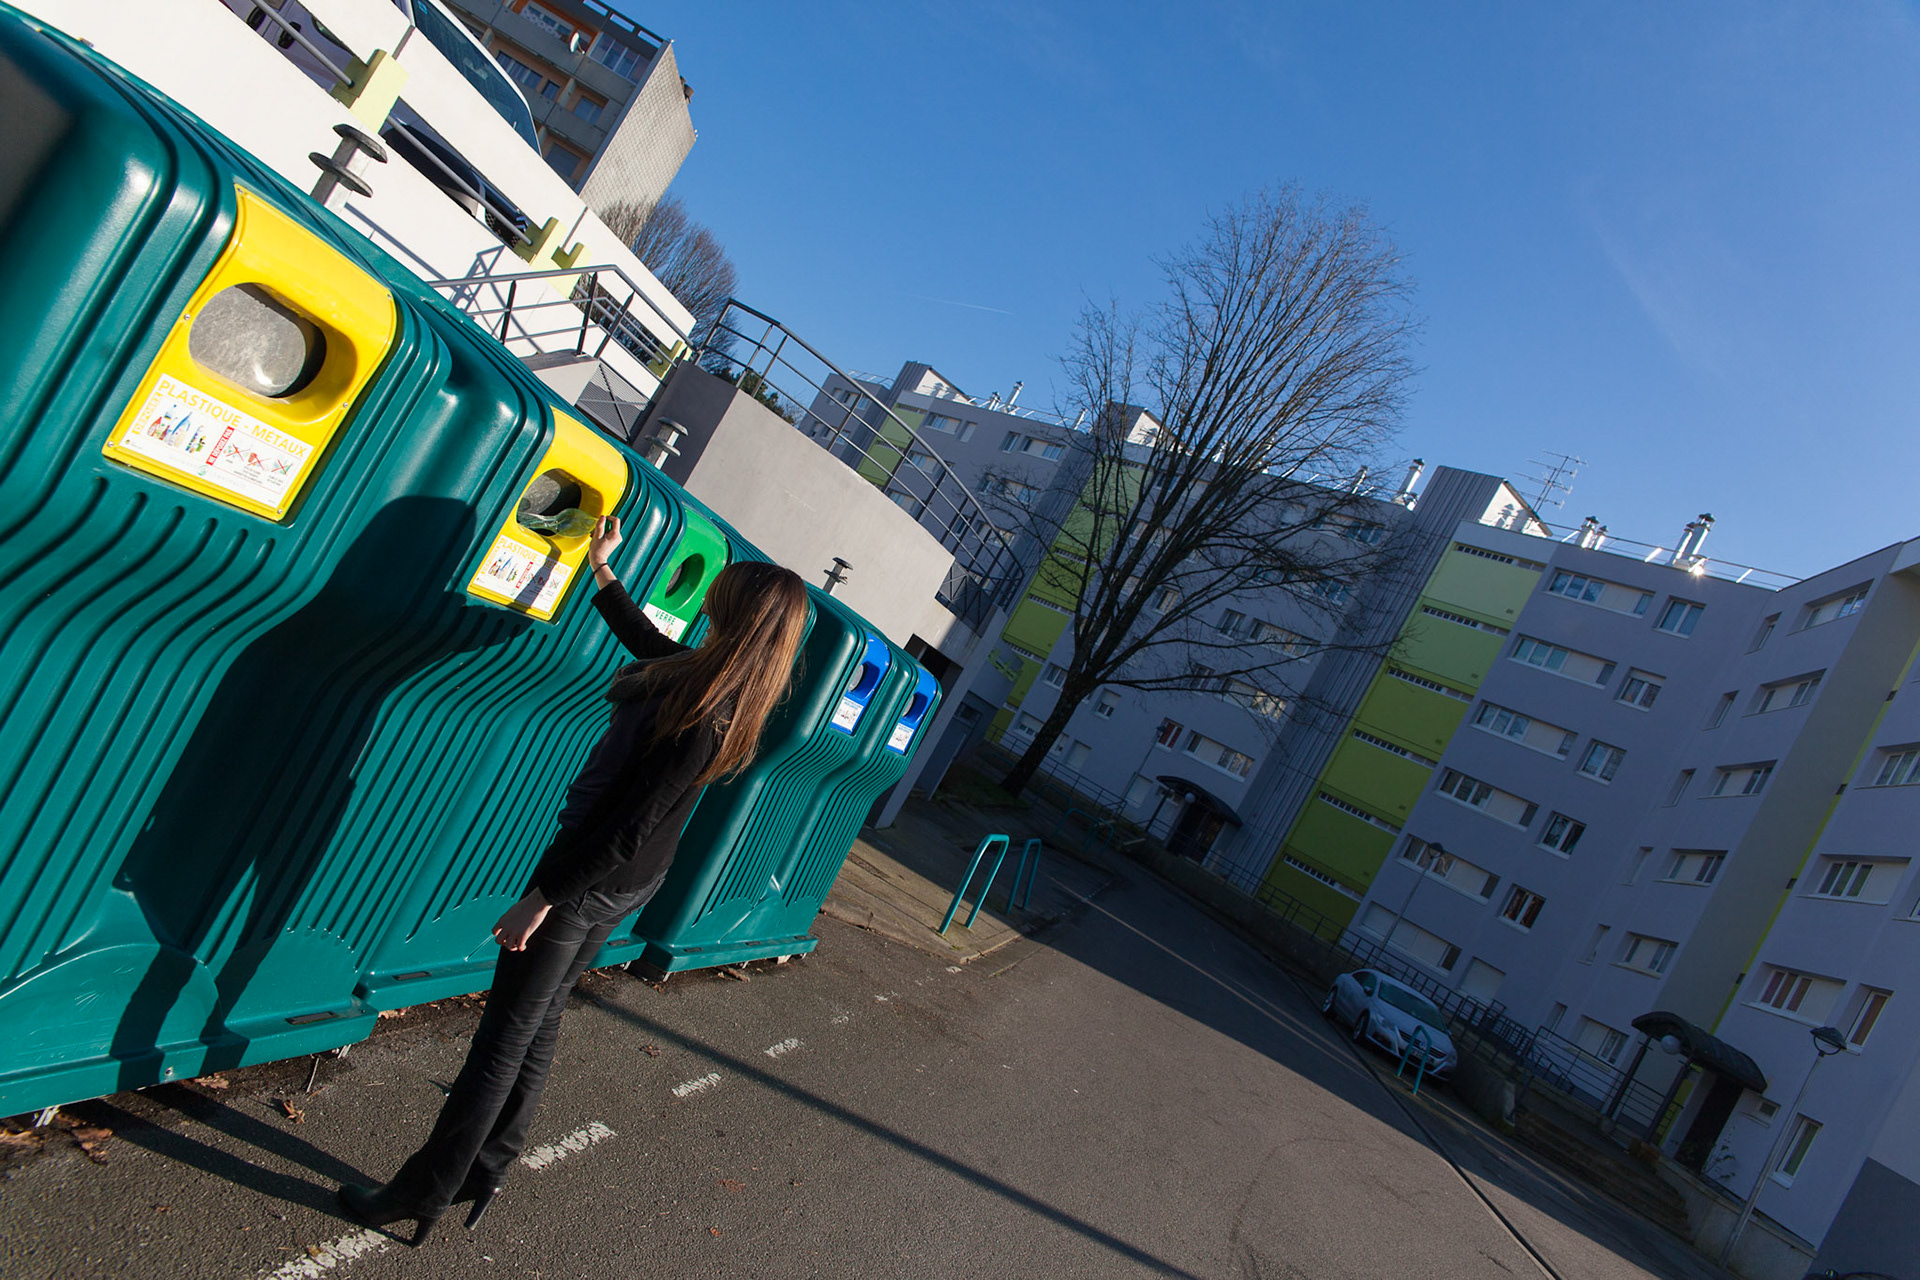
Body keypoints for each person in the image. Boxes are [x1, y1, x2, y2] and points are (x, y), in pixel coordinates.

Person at [337, 516, 808, 1245]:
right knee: (542, 1017)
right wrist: (601, 568)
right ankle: (489, 1164)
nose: (712, 588)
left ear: (736, 612)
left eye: (725, 587)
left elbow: (626, 827)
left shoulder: (702, 716)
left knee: (503, 1037)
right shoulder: (711, 684)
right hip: (623, 882)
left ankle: (423, 1189)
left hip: (593, 880)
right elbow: (641, 639)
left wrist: (540, 899)